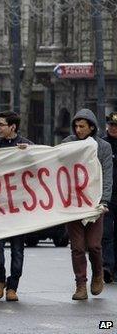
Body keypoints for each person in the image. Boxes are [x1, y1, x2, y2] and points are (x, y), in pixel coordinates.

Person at [62, 109, 112, 300]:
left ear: (92, 127)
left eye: (82, 126)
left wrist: (104, 200)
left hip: (94, 203)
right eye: (76, 126)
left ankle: (97, 274)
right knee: (77, 247)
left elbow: (107, 174)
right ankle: (80, 285)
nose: (78, 129)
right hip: (73, 205)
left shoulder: (103, 147)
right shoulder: (69, 144)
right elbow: (50, 158)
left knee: (94, 246)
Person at [0, 111, 33, 302]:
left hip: (18, 208)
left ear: (12, 127)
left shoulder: (26, 145)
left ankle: (13, 286)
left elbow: (40, 164)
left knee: (17, 250)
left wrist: (29, 154)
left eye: (1, 125)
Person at [102, 112, 117, 283]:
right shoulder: (102, 144)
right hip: (107, 196)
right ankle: (107, 267)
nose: (113, 128)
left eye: (115, 126)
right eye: (111, 125)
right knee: (106, 234)